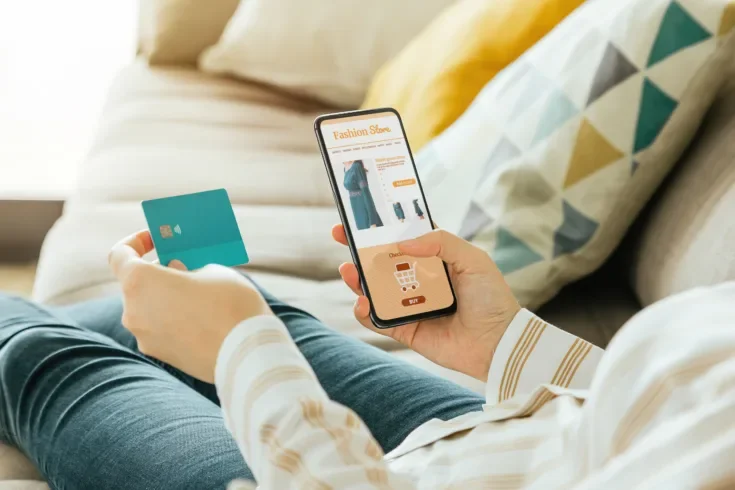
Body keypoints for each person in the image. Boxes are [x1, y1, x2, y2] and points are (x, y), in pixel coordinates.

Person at [0, 226, 733, 489]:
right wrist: (509, 343)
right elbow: (663, 413)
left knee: (35, 353)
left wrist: (238, 348)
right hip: (517, 445)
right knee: (170, 312)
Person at [343, 160, 384, 229]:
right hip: (356, 209)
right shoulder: (345, 167)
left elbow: (366, 192)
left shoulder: (356, 166)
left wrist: (372, 222)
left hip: (365, 209)